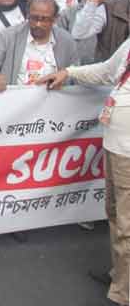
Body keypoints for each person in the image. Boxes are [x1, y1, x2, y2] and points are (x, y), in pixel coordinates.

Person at [37, 37, 130, 306]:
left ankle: (123, 293)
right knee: (114, 212)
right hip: (116, 145)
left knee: (126, 224)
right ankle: (122, 276)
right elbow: (107, 71)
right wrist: (69, 72)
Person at [0, 0, 77, 91]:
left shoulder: (66, 41)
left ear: (55, 19)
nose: (38, 24)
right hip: (16, 102)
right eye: (34, 18)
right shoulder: (9, 36)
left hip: (53, 102)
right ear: (27, 15)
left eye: (44, 19)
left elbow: (76, 73)